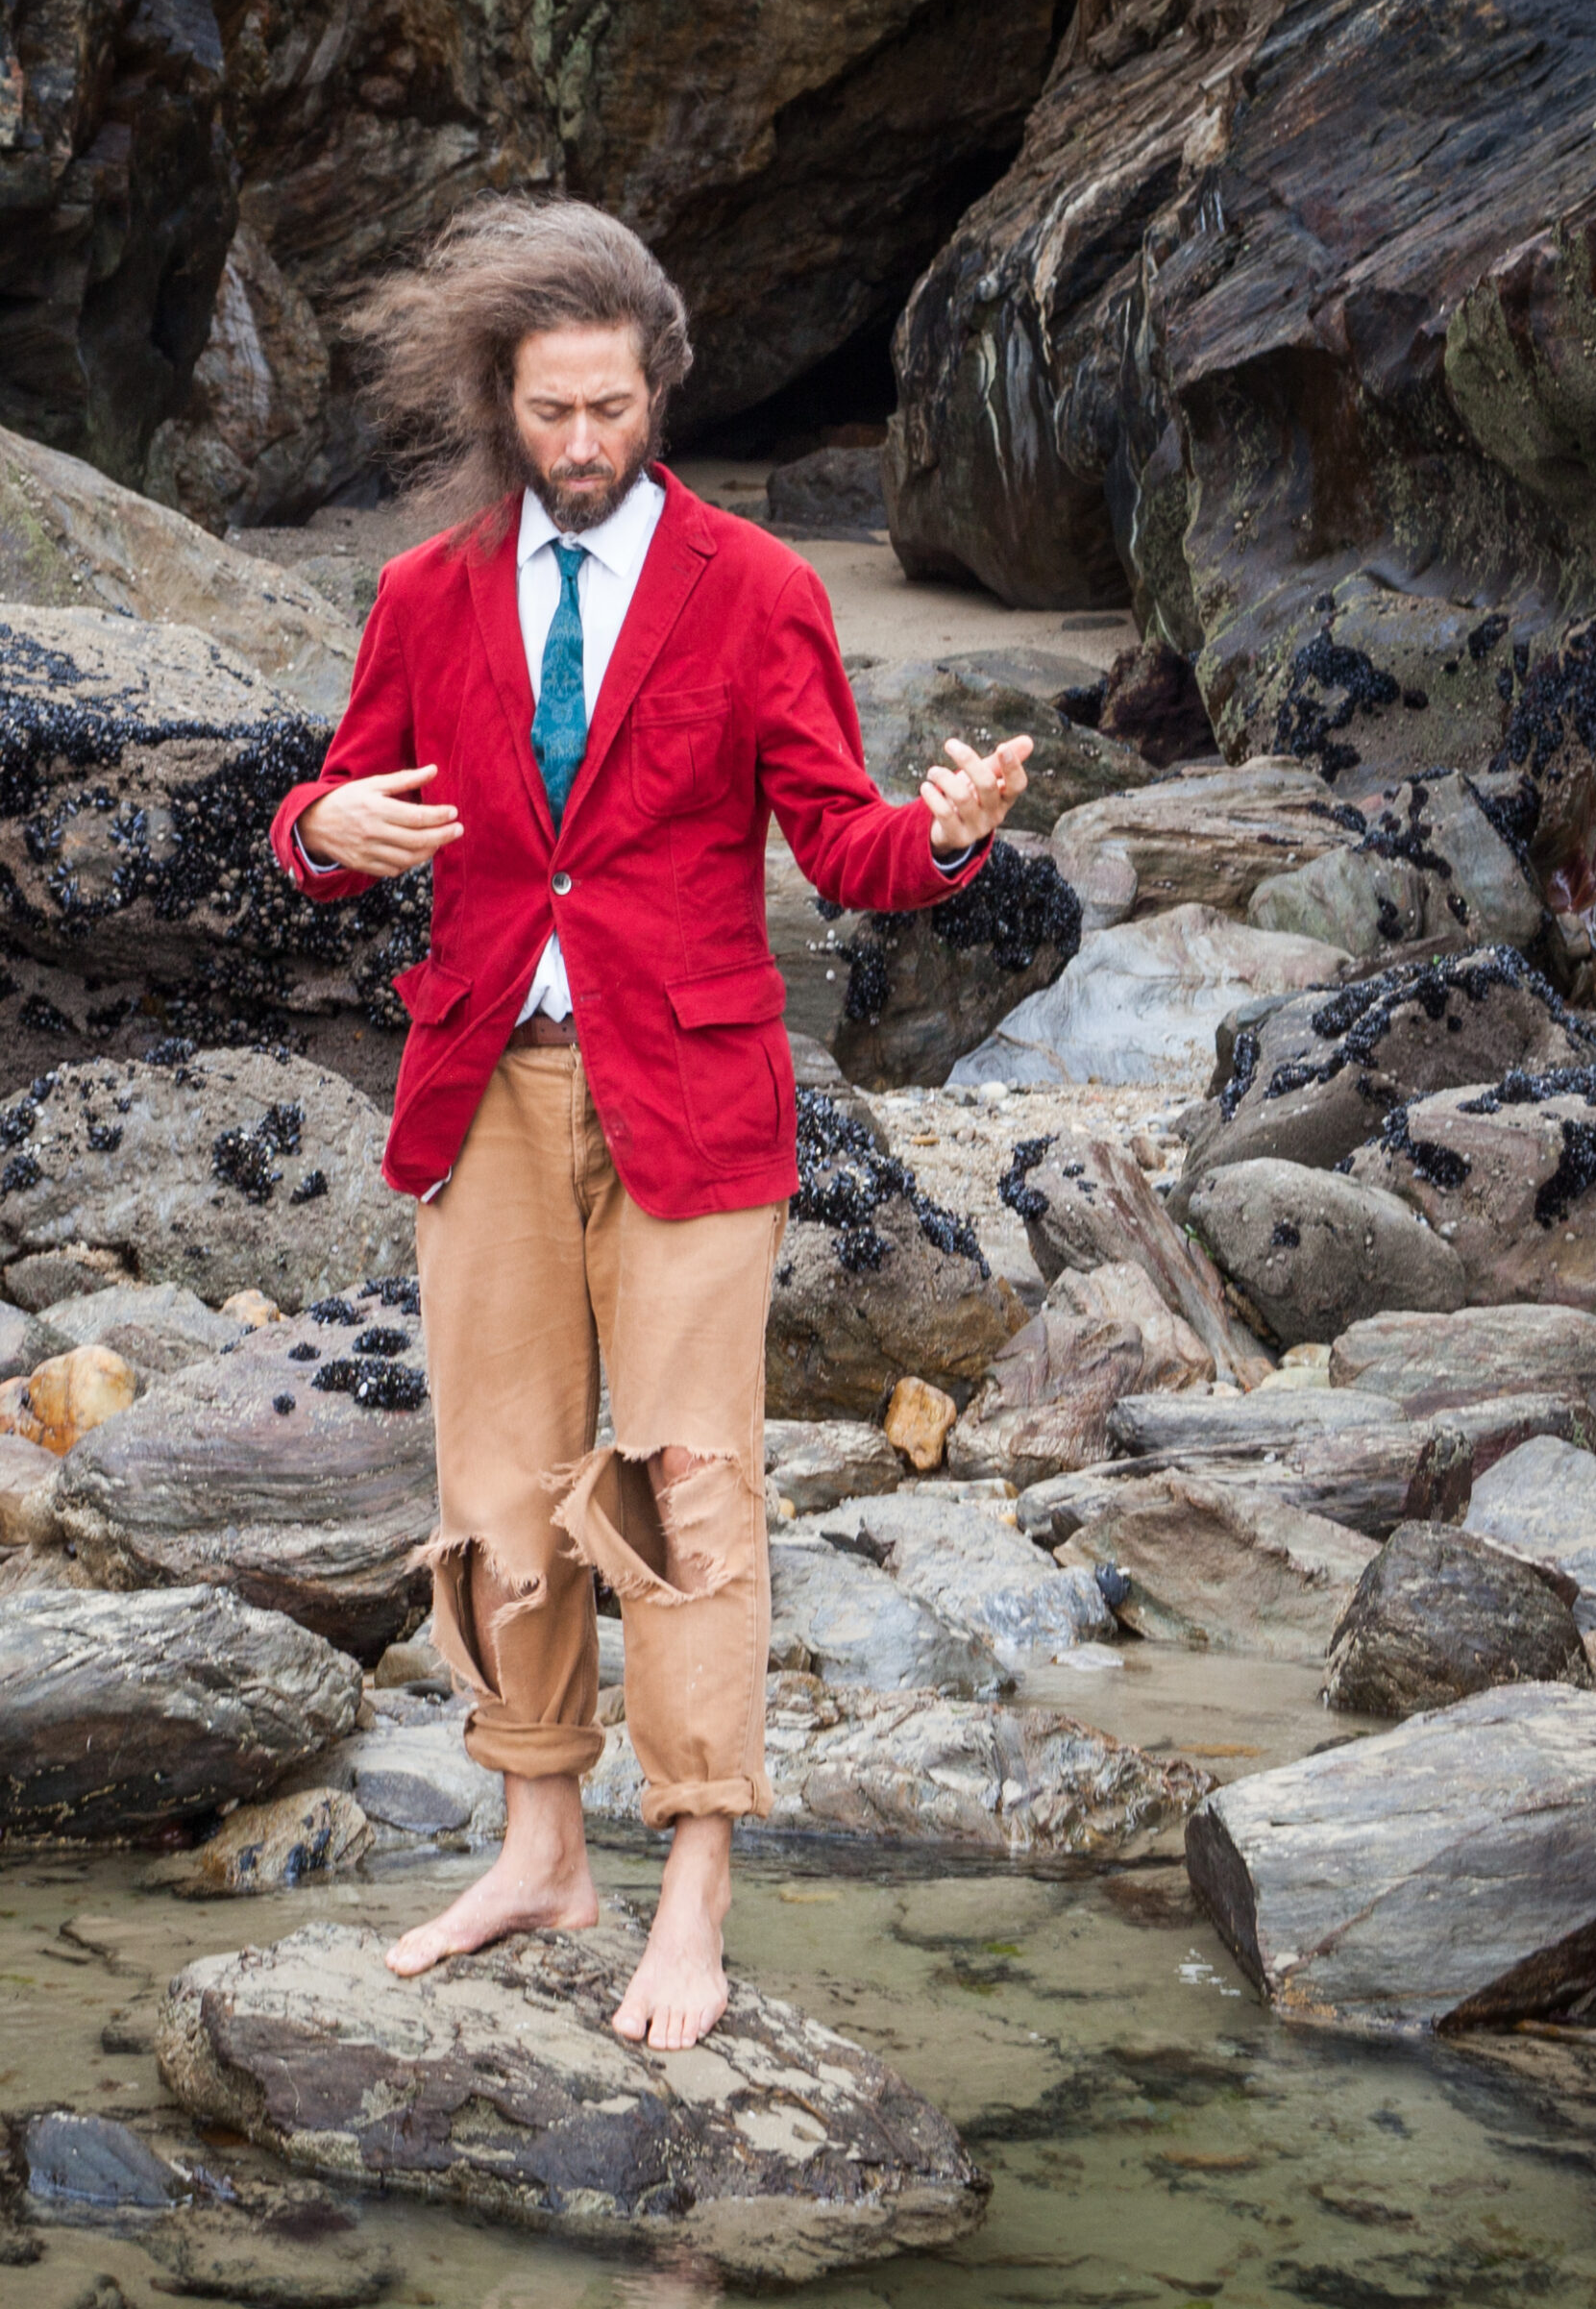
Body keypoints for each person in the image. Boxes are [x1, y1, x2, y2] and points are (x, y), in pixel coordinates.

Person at [267, 197, 1031, 2051]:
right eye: (552, 411)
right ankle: (541, 1850)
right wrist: (320, 832)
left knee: (687, 1485)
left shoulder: (756, 589)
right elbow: (336, 811)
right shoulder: (424, 594)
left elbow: (841, 843)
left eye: (613, 407)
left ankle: (694, 1889)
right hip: (485, 1091)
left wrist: (943, 835)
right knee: (497, 1490)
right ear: (500, 402)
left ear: (659, 390)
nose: (585, 442)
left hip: (692, 1100)